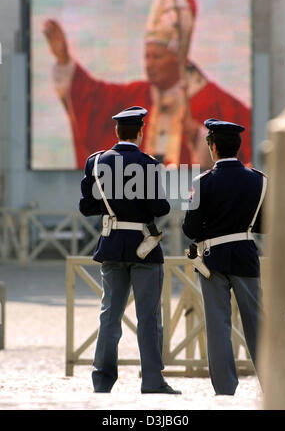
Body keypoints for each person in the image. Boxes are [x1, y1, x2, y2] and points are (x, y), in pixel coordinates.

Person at [43, 0, 251, 169]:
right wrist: (64, 61)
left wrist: (198, 137)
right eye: (146, 57)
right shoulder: (136, 96)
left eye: (157, 57)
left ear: (178, 59)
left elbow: (244, 153)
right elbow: (91, 98)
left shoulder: (215, 102)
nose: (149, 64)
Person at [79, 105, 181, 394]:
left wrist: (111, 205)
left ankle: (103, 380)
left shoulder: (96, 162)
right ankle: (152, 380)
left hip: (111, 245)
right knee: (148, 317)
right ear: (140, 132)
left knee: (109, 315)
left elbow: (86, 206)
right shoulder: (148, 164)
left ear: (116, 131)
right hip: (144, 248)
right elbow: (160, 208)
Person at [182, 118, 267, 396]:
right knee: (256, 323)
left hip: (212, 257)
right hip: (244, 255)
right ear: (238, 147)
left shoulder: (201, 182)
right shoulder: (258, 180)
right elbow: (264, 225)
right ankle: (272, 382)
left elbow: (190, 229)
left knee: (218, 326)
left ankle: (225, 389)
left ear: (213, 146)